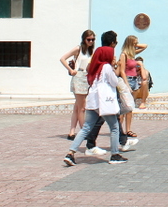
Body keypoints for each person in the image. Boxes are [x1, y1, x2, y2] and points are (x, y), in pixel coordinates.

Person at [65, 32, 128, 166]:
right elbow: (114, 82)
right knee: (115, 127)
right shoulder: (106, 67)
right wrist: (115, 66)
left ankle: (71, 153)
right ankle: (115, 155)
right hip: (105, 101)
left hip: (93, 100)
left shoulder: (95, 66)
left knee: (86, 127)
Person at [60, 29, 95, 140]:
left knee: (77, 106)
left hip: (86, 77)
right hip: (79, 76)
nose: (91, 42)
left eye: (93, 40)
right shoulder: (78, 49)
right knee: (82, 107)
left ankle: (72, 131)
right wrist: (71, 70)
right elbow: (63, 58)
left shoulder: (91, 51)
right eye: (89, 39)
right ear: (84, 39)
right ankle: (84, 130)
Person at [117, 35, 147, 137]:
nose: (136, 45)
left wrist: (136, 44)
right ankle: (119, 129)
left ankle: (128, 129)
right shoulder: (124, 54)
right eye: (134, 43)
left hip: (134, 80)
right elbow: (122, 70)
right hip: (128, 80)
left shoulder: (132, 53)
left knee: (130, 107)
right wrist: (126, 84)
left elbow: (145, 46)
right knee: (124, 107)